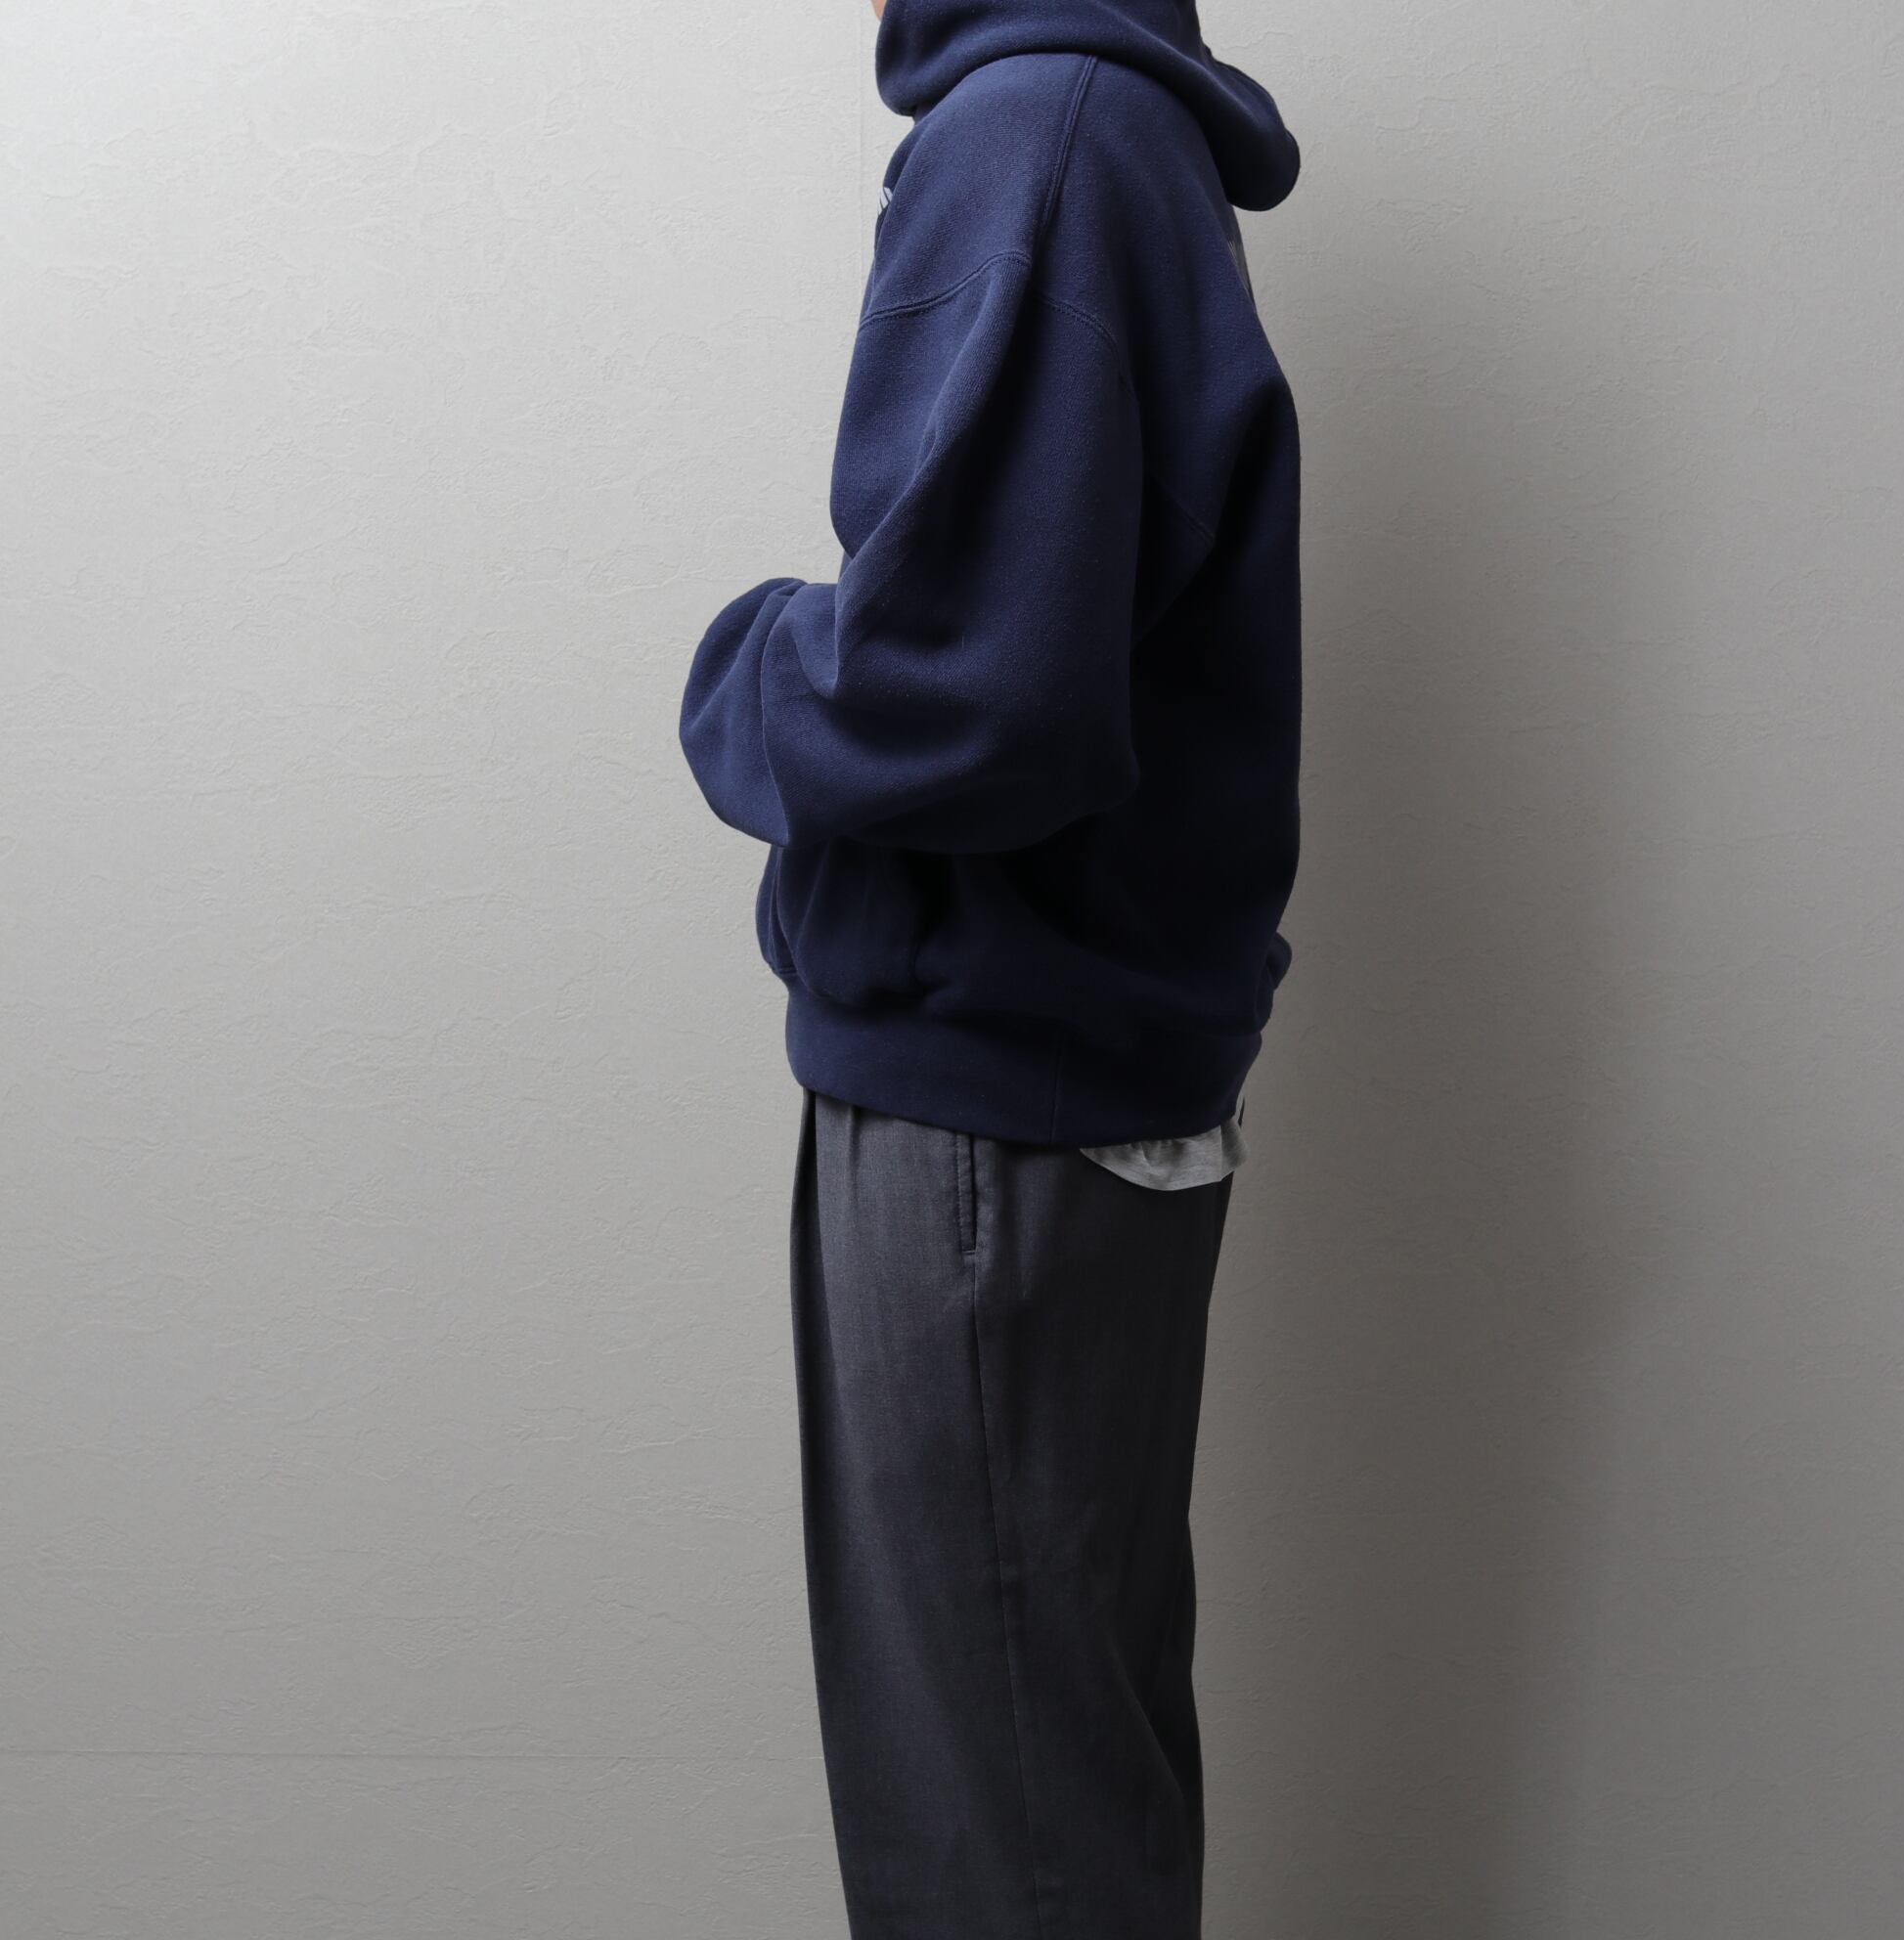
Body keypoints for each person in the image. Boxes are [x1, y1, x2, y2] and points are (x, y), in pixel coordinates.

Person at [679, 0, 1302, 1930]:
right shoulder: (1105, 135)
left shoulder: (1036, 142)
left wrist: (741, 664)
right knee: (1062, 1801)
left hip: (984, 1120)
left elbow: (965, 695)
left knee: (998, 1845)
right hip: (1056, 1102)